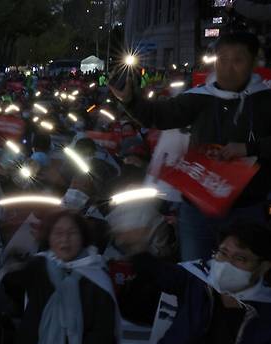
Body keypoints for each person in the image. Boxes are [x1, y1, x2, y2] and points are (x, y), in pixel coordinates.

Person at [110, 31, 271, 261]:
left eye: (238, 60)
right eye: (222, 59)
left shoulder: (265, 100)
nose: (228, 67)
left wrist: (248, 148)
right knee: (195, 275)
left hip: (247, 209)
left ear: (254, 62)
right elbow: (159, 115)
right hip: (198, 208)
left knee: (239, 281)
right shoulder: (199, 97)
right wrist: (130, 101)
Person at [122, 220, 271, 344]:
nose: (227, 264)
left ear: (263, 267)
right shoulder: (198, 280)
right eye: (223, 253)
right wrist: (136, 248)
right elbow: (158, 271)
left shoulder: (265, 317)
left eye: (239, 258)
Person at [2, 211, 117, 344]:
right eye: (58, 233)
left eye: (72, 233)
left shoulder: (97, 274)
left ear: (83, 236)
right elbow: (12, 288)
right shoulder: (38, 266)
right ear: (48, 237)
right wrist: (14, 261)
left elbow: (102, 334)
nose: (65, 240)